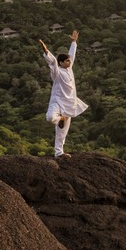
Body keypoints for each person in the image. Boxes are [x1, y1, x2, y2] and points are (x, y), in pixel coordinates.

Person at [39, 30, 88, 158]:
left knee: (62, 132)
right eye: (66, 61)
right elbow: (52, 62)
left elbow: (72, 54)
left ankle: (59, 153)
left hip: (69, 104)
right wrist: (46, 51)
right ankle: (60, 118)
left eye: (69, 61)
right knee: (50, 118)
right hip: (57, 102)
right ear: (61, 63)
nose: (69, 62)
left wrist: (74, 42)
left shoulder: (69, 69)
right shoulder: (57, 72)